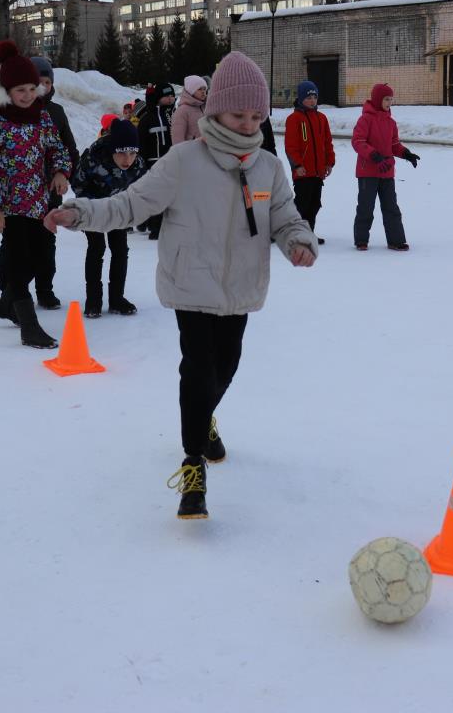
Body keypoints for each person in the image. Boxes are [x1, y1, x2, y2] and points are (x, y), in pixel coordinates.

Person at [45, 51, 317, 520]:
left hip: (240, 287)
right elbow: (131, 204)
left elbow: (285, 216)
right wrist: (81, 212)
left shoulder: (268, 167)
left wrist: (298, 239)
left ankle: (204, 418)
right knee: (197, 369)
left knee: (225, 366)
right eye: (239, 114)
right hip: (191, 282)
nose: (249, 123)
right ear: (215, 112)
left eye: (256, 115)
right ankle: (193, 464)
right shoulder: (184, 160)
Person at [0, 41, 73, 347]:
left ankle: (6, 304)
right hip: (10, 207)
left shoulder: (41, 117)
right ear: (6, 91)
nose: (28, 95)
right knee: (18, 262)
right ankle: (28, 325)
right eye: (21, 90)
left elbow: (58, 148)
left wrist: (60, 171)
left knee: (41, 259)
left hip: (39, 203)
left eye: (32, 88)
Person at [21, 56, 79, 310]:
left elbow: (69, 148)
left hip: (48, 192)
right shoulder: (15, 112)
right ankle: (14, 292)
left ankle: (45, 289)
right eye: (37, 82)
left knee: (46, 241)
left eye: (46, 82)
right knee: (19, 244)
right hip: (20, 194)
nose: (42, 87)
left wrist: (64, 174)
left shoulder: (56, 113)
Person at [71, 118, 144, 318]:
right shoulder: (93, 158)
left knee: (120, 249)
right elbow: (78, 185)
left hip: (119, 211)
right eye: (121, 153)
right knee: (97, 248)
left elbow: (142, 189)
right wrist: (94, 207)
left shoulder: (138, 165)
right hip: (92, 210)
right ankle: (93, 300)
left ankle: (117, 299)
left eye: (132, 153)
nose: (127, 159)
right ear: (112, 149)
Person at [351, 83, 418, 251]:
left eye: (391, 99)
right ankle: (361, 240)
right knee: (366, 207)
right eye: (386, 99)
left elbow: (394, 145)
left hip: (386, 172)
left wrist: (406, 153)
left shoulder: (391, 122)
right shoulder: (365, 119)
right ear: (377, 99)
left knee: (391, 207)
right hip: (368, 171)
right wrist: (373, 154)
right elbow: (358, 141)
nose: (389, 103)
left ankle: (396, 240)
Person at [284, 80, 335, 244]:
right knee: (302, 204)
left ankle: (308, 233)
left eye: (315, 97)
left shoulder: (322, 118)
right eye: (308, 97)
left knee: (314, 204)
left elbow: (327, 143)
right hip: (303, 171)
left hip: (318, 171)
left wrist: (329, 162)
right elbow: (291, 146)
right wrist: (297, 165)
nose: (312, 100)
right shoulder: (294, 119)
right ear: (300, 99)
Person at [137, 82, 176, 239]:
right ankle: (153, 226)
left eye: (172, 95)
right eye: (167, 96)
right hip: (153, 162)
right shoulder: (147, 119)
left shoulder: (174, 115)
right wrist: (142, 164)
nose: (170, 98)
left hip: (172, 161)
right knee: (155, 195)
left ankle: (164, 225)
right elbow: (141, 143)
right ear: (158, 98)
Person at [170, 75, 207, 143]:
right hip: (191, 152)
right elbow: (177, 141)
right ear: (191, 91)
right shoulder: (182, 111)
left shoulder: (207, 107)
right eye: (199, 89)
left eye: (204, 89)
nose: (203, 92)